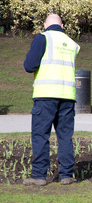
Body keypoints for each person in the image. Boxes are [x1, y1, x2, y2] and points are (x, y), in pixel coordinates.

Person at [23, 14, 80, 186]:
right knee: (65, 136)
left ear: (45, 25)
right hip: (67, 96)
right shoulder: (72, 44)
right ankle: (67, 175)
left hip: (46, 94)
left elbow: (29, 66)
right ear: (62, 25)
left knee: (41, 135)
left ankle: (39, 176)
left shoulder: (43, 38)